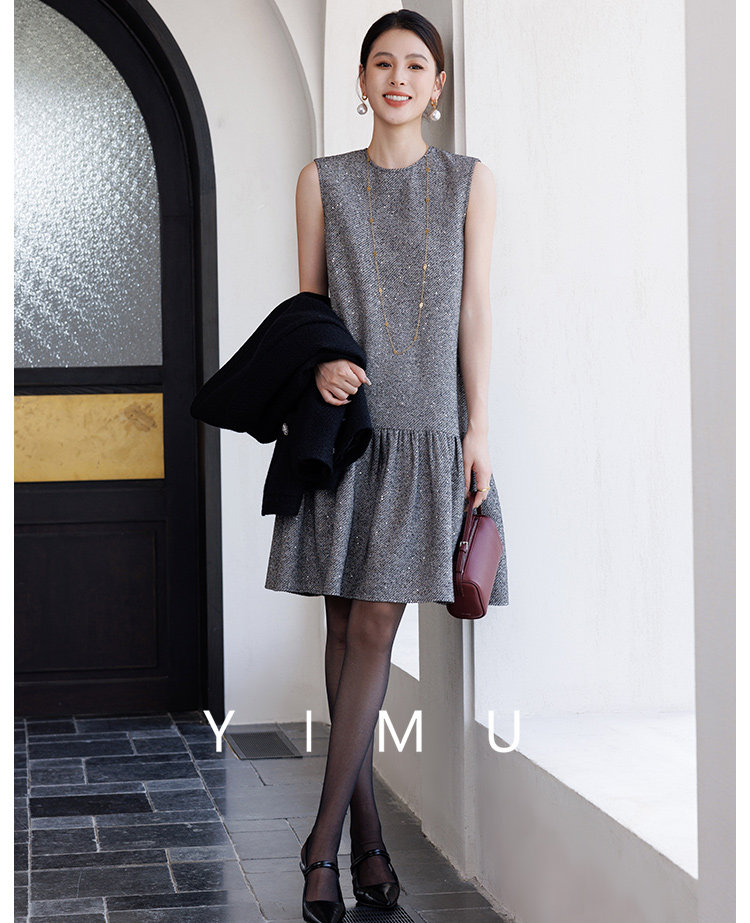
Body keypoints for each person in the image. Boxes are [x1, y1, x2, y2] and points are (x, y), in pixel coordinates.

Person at [264, 9, 509, 922]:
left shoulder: (469, 181)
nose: (397, 77)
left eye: (414, 65)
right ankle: (368, 846)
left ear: (436, 88)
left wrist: (479, 427)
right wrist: (318, 364)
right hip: (347, 427)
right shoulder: (321, 180)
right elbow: (309, 308)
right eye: (382, 63)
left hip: (430, 430)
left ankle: (320, 845)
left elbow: (475, 309)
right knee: (342, 626)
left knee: (372, 623)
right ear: (362, 81)